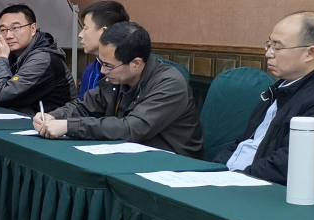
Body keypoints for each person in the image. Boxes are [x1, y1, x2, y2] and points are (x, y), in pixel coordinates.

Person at [214, 12, 314, 200]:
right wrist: (214, 170)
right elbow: (242, 143)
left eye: (277, 47)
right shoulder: (279, 89)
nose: (268, 53)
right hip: (237, 182)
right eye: (269, 44)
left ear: (310, 53)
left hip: (271, 196)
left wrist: (232, 179)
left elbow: (286, 165)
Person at [32, 22, 204, 157]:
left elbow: (131, 128)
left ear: (136, 63)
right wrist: (54, 116)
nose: (102, 71)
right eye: (101, 63)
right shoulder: (117, 77)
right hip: (132, 156)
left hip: (173, 165)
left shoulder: (170, 83)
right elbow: (84, 106)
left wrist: (69, 126)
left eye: (108, 65)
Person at [76, 0, 130, 97]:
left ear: (104, 32)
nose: (80, 35)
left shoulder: (125, 74)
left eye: (85, 28)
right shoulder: (90, 70)